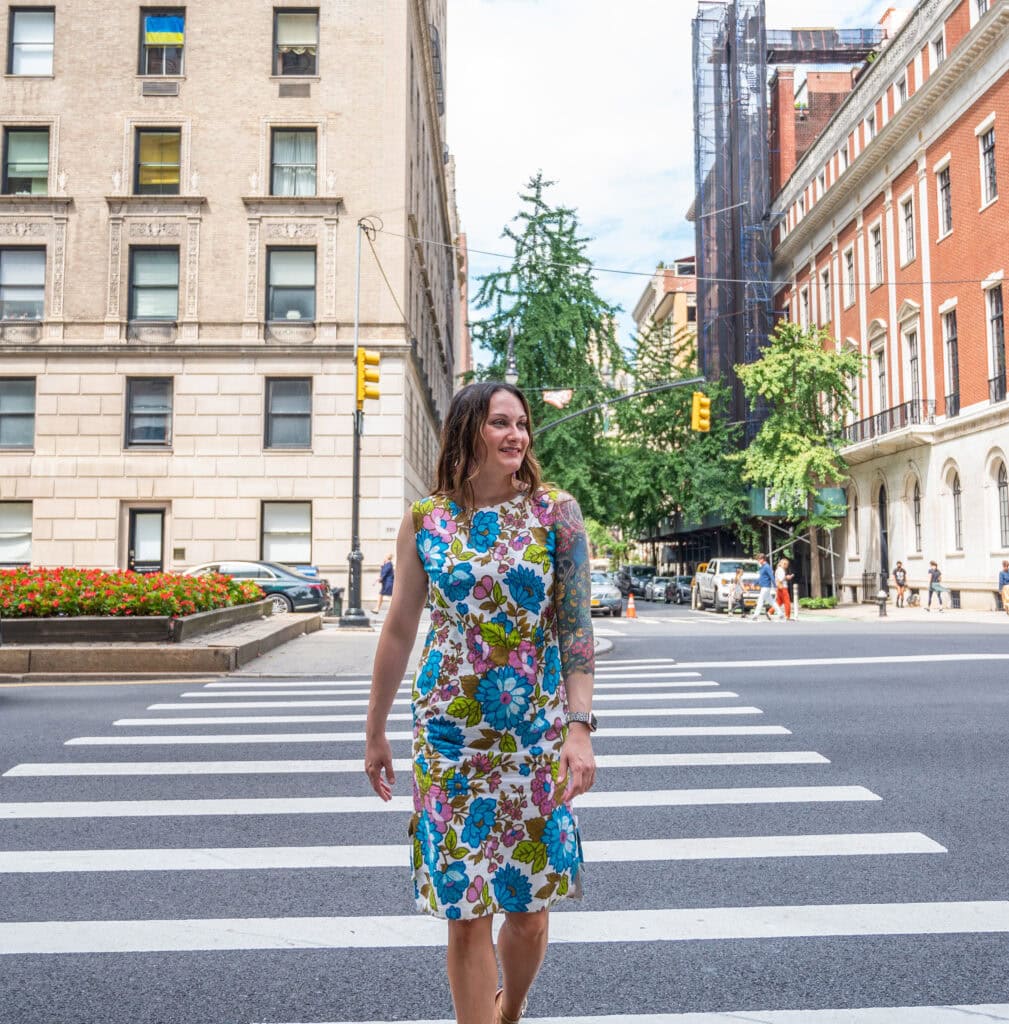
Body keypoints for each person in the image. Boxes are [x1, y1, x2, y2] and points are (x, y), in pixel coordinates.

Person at [364, 381, 597, 1024]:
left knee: (527, 913)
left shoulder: (558, 513)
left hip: (534, 733)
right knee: (465, 916)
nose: (516, 435)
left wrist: (579, 727)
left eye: (521, 424)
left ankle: (510, 1007)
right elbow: (399, 628)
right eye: (501, 423)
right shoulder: (426, 520)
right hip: (448, 735)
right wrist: (375, 729)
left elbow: (575, 629)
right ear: (469, 431)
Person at [750, 554, 775, 620]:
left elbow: (771, 576)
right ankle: (781, 614)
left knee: (760, 601)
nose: (758, 561)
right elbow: (760, 578)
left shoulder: (766, 567)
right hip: (764, 586)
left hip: (766, 586)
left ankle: (755, 615)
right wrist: (754, 583)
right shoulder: (763, 567)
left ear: (762, 559)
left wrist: (775, 586)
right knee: (771, 601)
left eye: (759, 559)